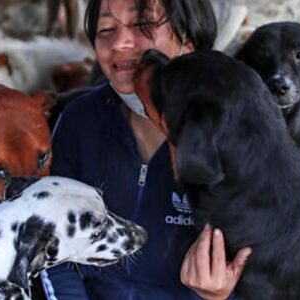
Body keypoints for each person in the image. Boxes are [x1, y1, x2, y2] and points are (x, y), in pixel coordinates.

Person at [41, 0, 251, 299]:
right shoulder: (80, 120)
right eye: (106, 29)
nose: (120, 42)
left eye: (143, 26)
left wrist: (219, 297)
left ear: (188, 40)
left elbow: (266, 271)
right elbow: (53, 244)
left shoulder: (237, 135)